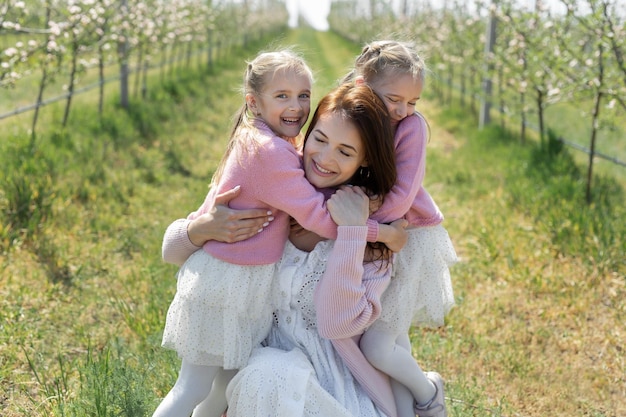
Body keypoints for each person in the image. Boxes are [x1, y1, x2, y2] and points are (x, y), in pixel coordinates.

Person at [152, 49, 399, 417]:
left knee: (218, 394)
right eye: (281, 96)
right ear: (254, 102)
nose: (296, 106)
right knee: (193, 389)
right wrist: (374, 230)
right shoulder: (271, 154)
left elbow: (339, 319)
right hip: (225, 289)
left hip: (249, 301)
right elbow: (318, 217)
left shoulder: (277, 149)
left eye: (303, 95)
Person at [341, 40, 458, 417]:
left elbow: (403, 196)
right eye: (395, 99)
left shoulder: (411, 128)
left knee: (378, 344)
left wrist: (361, 224)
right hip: (376, 235)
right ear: (363, 84)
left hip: (409, 236)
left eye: (413, 102)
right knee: (390, 335)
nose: (403, 110)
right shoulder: (354, 114)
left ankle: (428, 391)